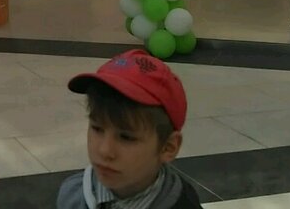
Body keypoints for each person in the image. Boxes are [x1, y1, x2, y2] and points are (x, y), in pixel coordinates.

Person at [57, 49, 201, 209]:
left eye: (126, 137)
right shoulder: (73, 195)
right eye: (97, 128)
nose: (105, 150)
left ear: (168, 147)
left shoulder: (184, 204)